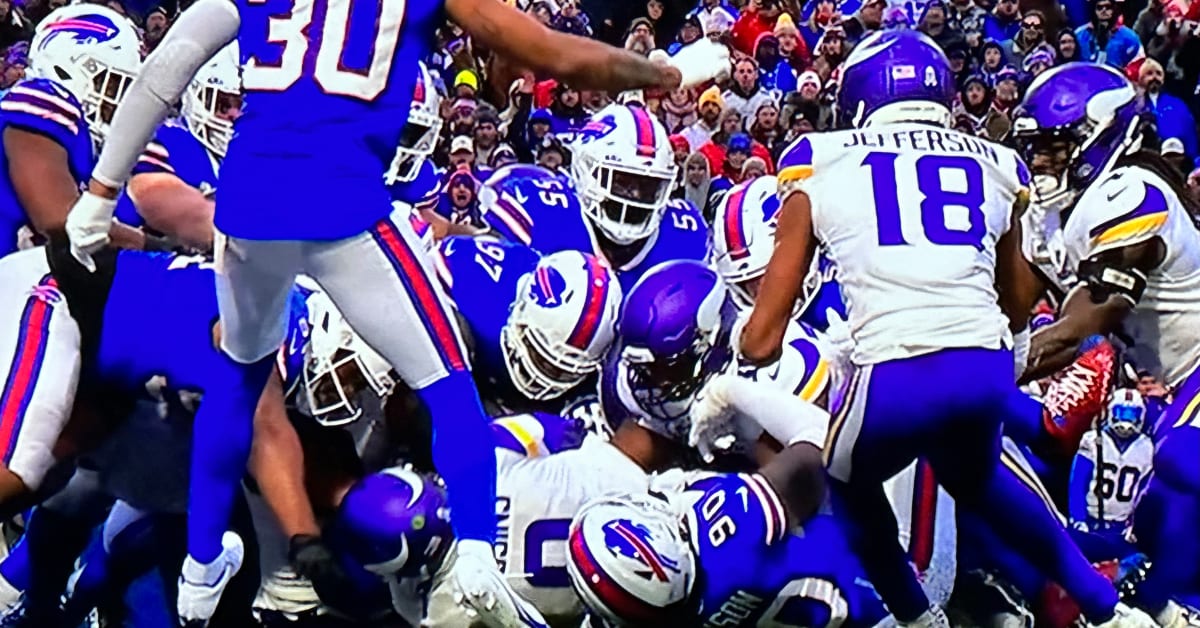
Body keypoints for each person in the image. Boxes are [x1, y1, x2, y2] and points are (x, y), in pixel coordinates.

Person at [60, 0, 730, 623]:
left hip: (250, 203)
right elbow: (552, 53)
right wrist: (663, 71)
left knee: (238, 381)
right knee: (449, 387)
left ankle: (203, 571)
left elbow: (166, 66)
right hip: (343, 208)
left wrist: (97, 192)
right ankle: (473, 558)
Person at [741, 30, 1148, 628]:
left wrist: (744, 353)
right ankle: (1109, 611)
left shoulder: (818, 156)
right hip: (984, 367)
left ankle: (918, 617)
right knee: (976, 477)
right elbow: (1015, 304)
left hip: (895, 371)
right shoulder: (999, 161)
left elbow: (763, 337)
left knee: (844, 479)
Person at [1012, 61, 1200, 628]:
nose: (1042, 161)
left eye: (1055, 146)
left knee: (1179, 465)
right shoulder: (1061, 212)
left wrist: (1000, 362)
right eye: (1035, 148)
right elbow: (1014, 302)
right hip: (1169, 381)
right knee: (1154, 516)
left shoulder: (1134, 191)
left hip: (1193, 369)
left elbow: (1090, 315)